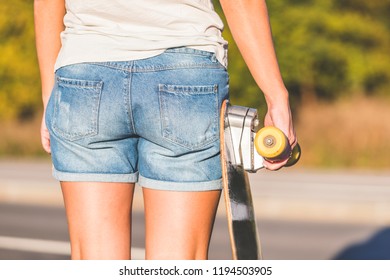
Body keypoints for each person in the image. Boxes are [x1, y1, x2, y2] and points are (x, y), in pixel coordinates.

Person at [34, 0, 297, 260]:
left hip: (85, 75)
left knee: (95, 260)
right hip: (185, 76)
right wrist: (276, 96)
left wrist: (49, 94)